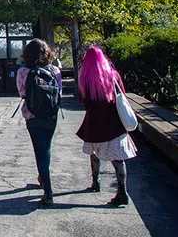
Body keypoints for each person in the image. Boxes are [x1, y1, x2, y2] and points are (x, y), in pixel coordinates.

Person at [76, 47, 137, 206]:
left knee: (94, 152)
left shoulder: (85, 77)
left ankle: (96, 182)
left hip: (94, 122)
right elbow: (121, 94)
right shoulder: (113, 75)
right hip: (114, 122)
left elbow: (84, 101)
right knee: (118, 158)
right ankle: (122, 191)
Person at [16, 38, 62, 206]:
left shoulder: (23, 71)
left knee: (39, 151)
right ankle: (44, 179)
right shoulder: (55, 70)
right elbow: (59, 92)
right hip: (51, 114)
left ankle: (48, 190)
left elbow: (21, 93)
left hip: (32, 115)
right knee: (47, 148)